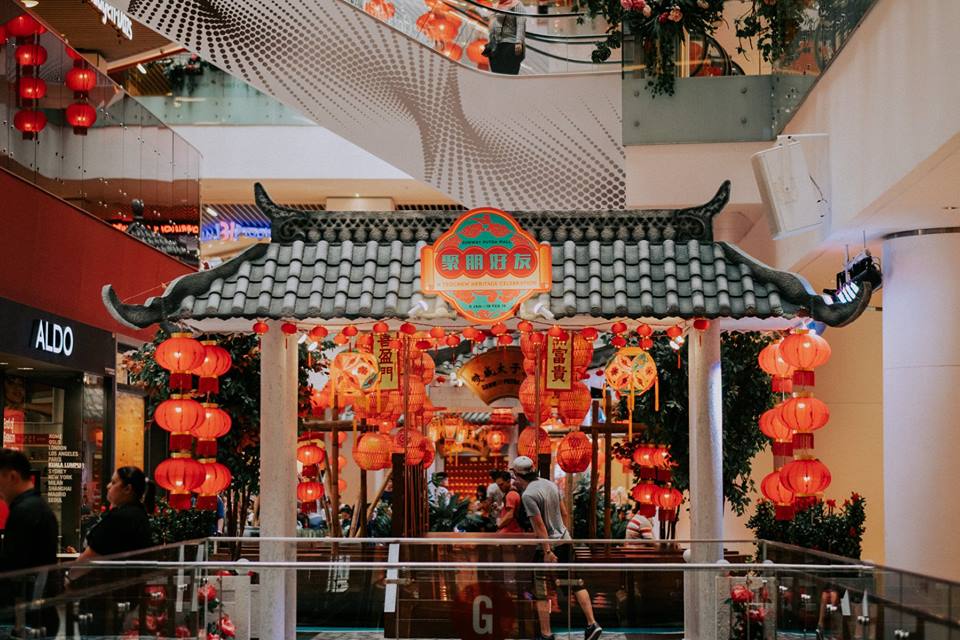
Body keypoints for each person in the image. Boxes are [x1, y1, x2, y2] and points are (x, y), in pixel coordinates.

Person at [510, 456, 601, 640]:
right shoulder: (550, 484)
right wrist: (563, 535)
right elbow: (565, 512)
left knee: (540, 590)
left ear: (517, 475)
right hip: (565, 541)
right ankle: (593, 624)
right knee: (575, 583)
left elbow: (540, 526)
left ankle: (546, 634)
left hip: (548, 548)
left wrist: (547, 551)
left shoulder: (528, 495)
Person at [0, 449, 59, 636]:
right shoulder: (37, 507)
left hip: (27, 615)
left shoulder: (24, 511)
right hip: (39, 611)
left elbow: (13, 565)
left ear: (12, 476)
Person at [486, 0, 526, 75]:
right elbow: (491, 28)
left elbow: (521, 24)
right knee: (497, 76)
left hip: (511, 44)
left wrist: (519, 41)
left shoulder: (517, 4)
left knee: (509, 75)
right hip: (495, 45)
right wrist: (492, 13)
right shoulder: (495, 6)